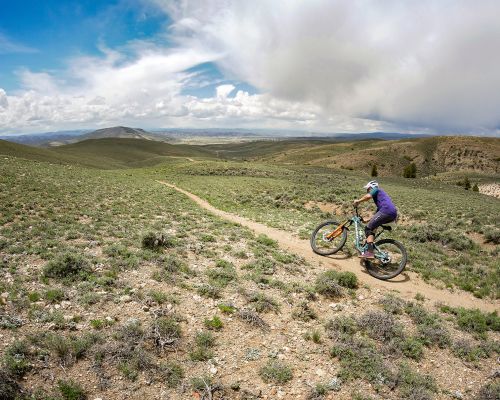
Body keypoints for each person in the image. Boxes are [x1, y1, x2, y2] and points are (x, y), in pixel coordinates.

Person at [353, 180, 398, 258]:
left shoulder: (376, 189)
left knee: (368, 228)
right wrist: (366, 220)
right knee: (373, 228)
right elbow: (377, 215)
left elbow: (368, 196)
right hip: (391, 213)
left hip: (386, 211)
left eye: (368, 189)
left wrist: (358, 201)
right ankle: (369, 245)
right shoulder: (381, 199)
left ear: (371, 187)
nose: (367, 191)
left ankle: (370, 253)